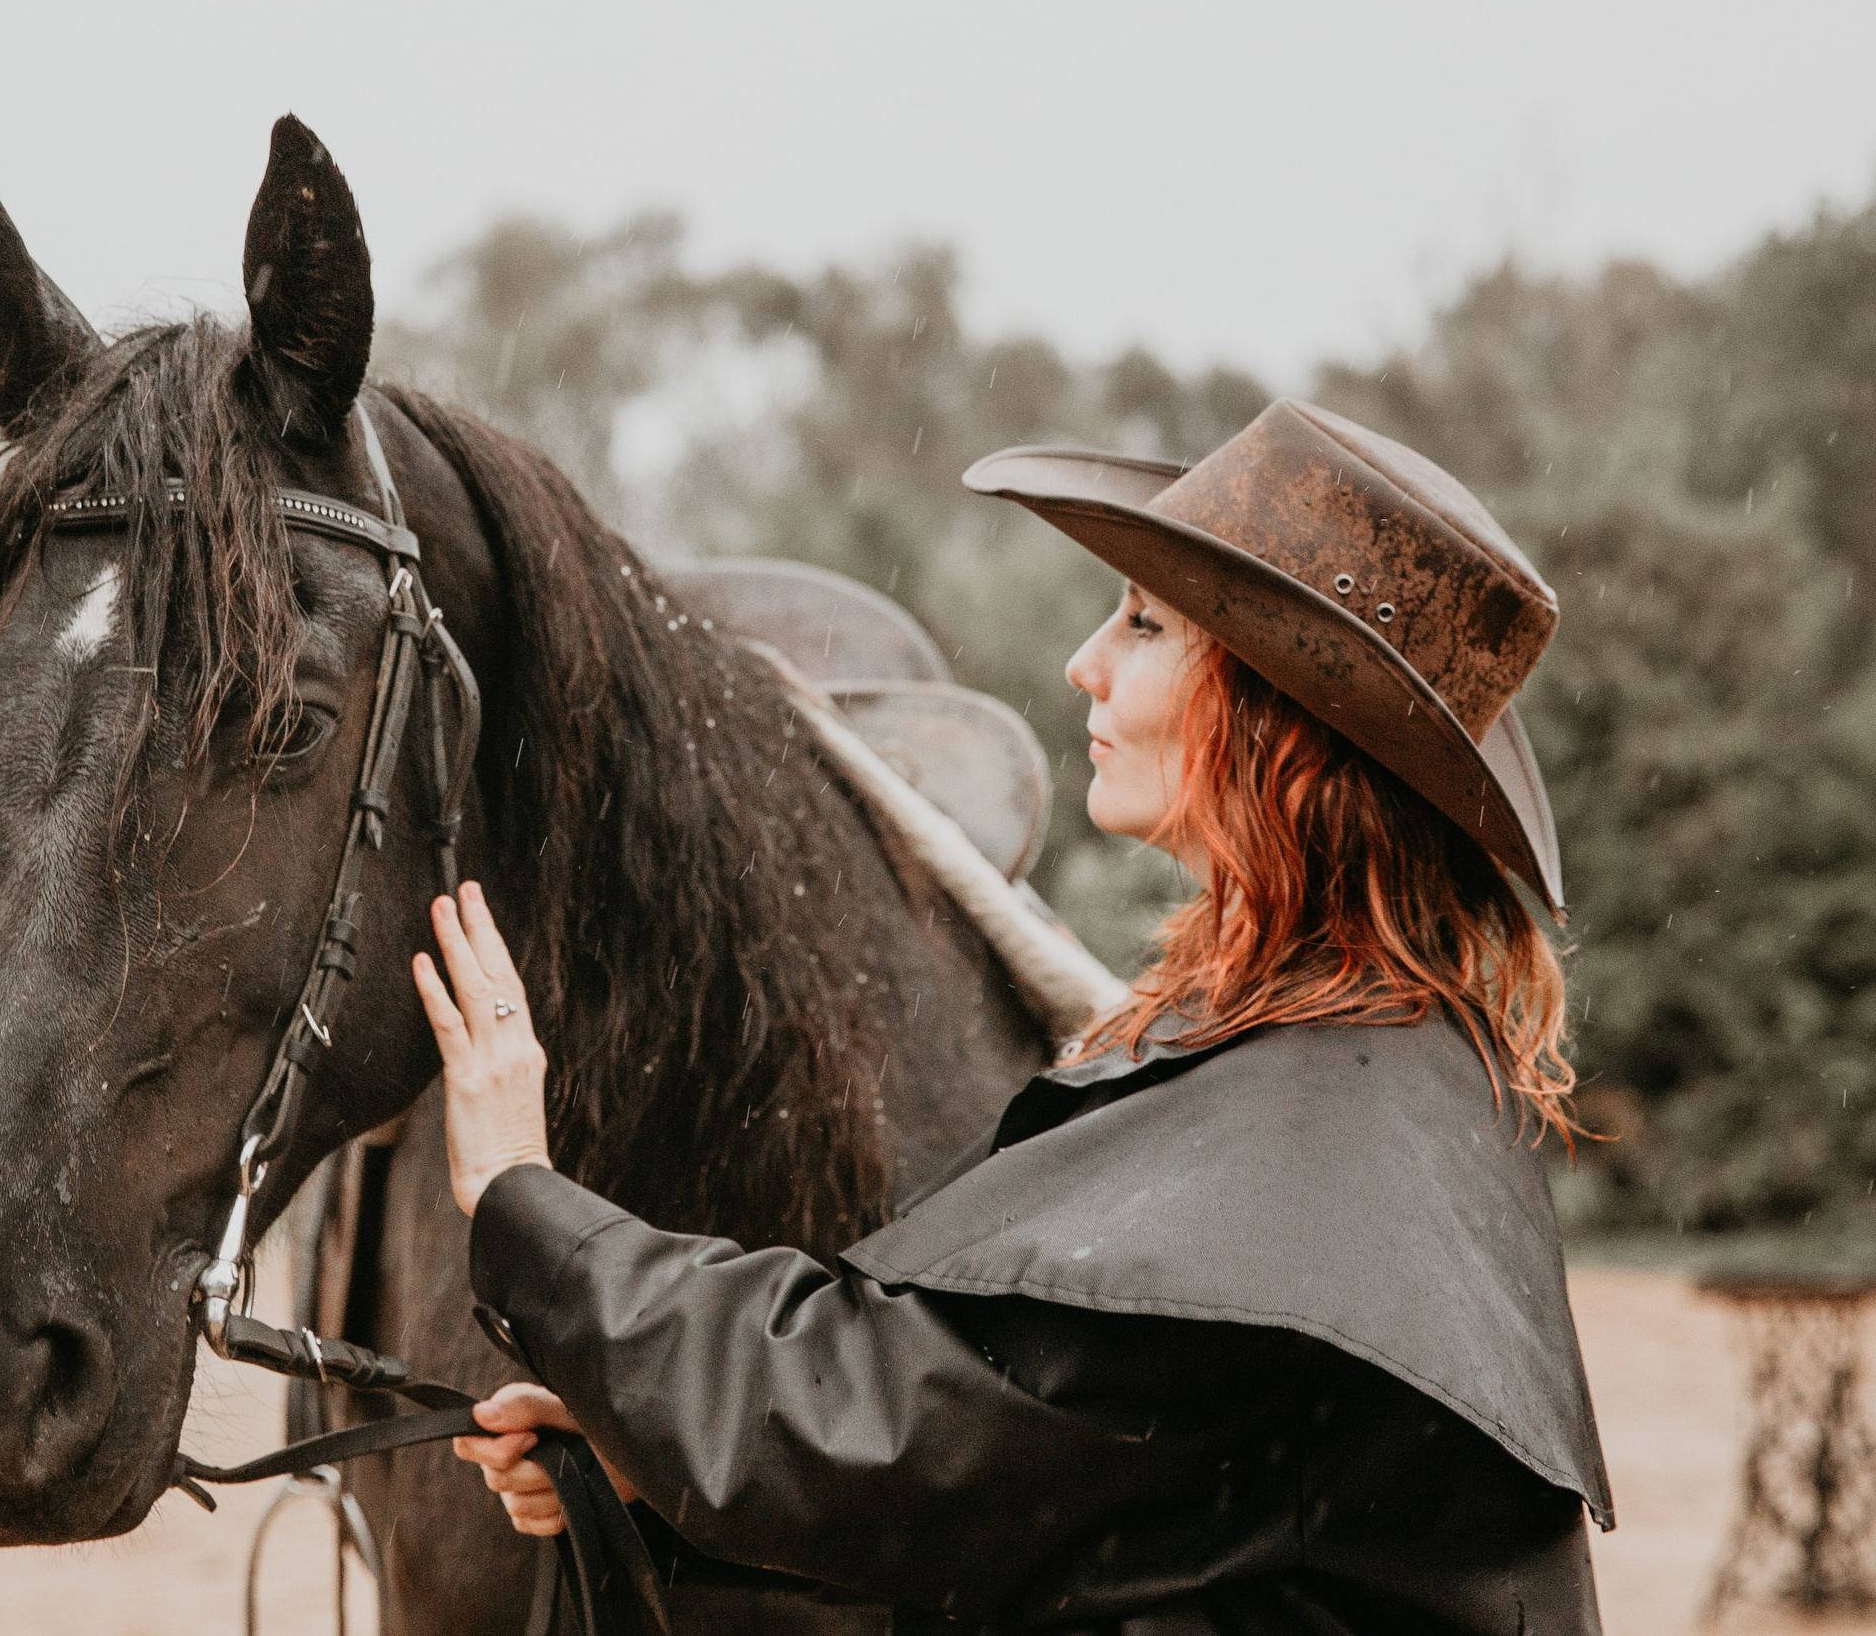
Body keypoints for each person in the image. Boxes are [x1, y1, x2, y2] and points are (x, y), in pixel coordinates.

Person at [410, 399, 1609, 1634]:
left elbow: (893, 1416)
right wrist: (646, 1469)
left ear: (1278, 727)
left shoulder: (1315, 1134)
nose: (1085, 663)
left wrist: (522, 1193)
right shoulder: (1368, 1074)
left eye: (1145, 625)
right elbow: (1044, 1493)